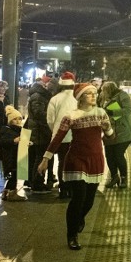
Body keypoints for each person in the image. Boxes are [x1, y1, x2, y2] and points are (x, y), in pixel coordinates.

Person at [38, 83, 113, 250]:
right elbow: (57, 138)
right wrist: (46, 159)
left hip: (96, 159)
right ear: (80, 97)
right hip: (76, 159)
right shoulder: (71, 116)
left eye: (95, 93)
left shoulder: (101, 113)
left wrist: (108, 130)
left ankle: (79, 218)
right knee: (78, 198)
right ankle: (72, 235)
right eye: (89, 94)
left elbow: (109, 135)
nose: (94, 96)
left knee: (89, 201)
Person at [99, 81, 131, 188]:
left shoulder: (123, 96)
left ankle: (124, 178)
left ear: (109, 90)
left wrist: (112, 112)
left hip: (124, 131)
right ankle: (114, 177)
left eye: (104, 91)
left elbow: (128, 110)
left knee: (118, 155)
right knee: (109, 155)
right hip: (110, 131)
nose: (102, 93)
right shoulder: (105, 99)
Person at [47, 71, 77, 199]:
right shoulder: (78, 98)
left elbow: (50, 120)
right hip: (76, 137)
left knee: (62, 162)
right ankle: (73, 188)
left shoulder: (54, 99)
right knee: (75, 163)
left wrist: (56, 131)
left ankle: (63, 189)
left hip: (60, 138)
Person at [26, 75, 53, 194]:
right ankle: (37, 184)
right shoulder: (38, 96)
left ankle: (35, 181)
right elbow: (39, 114)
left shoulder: (38, 95)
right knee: (40, 157)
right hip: (39, 131)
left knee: (38, 156)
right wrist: (49, 121)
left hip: (37, 130)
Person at [0, 105, 27, 201]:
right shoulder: (6, 130)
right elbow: (3, 142)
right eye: (15, 119)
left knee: (15, 175)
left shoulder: (19, 129)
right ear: (10, 120)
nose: (18, 121)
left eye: (19, 119)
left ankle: (7, 193)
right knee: (12, 175)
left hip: (17, 156)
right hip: (10, 157)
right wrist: (13, 140)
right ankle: (11, 193)